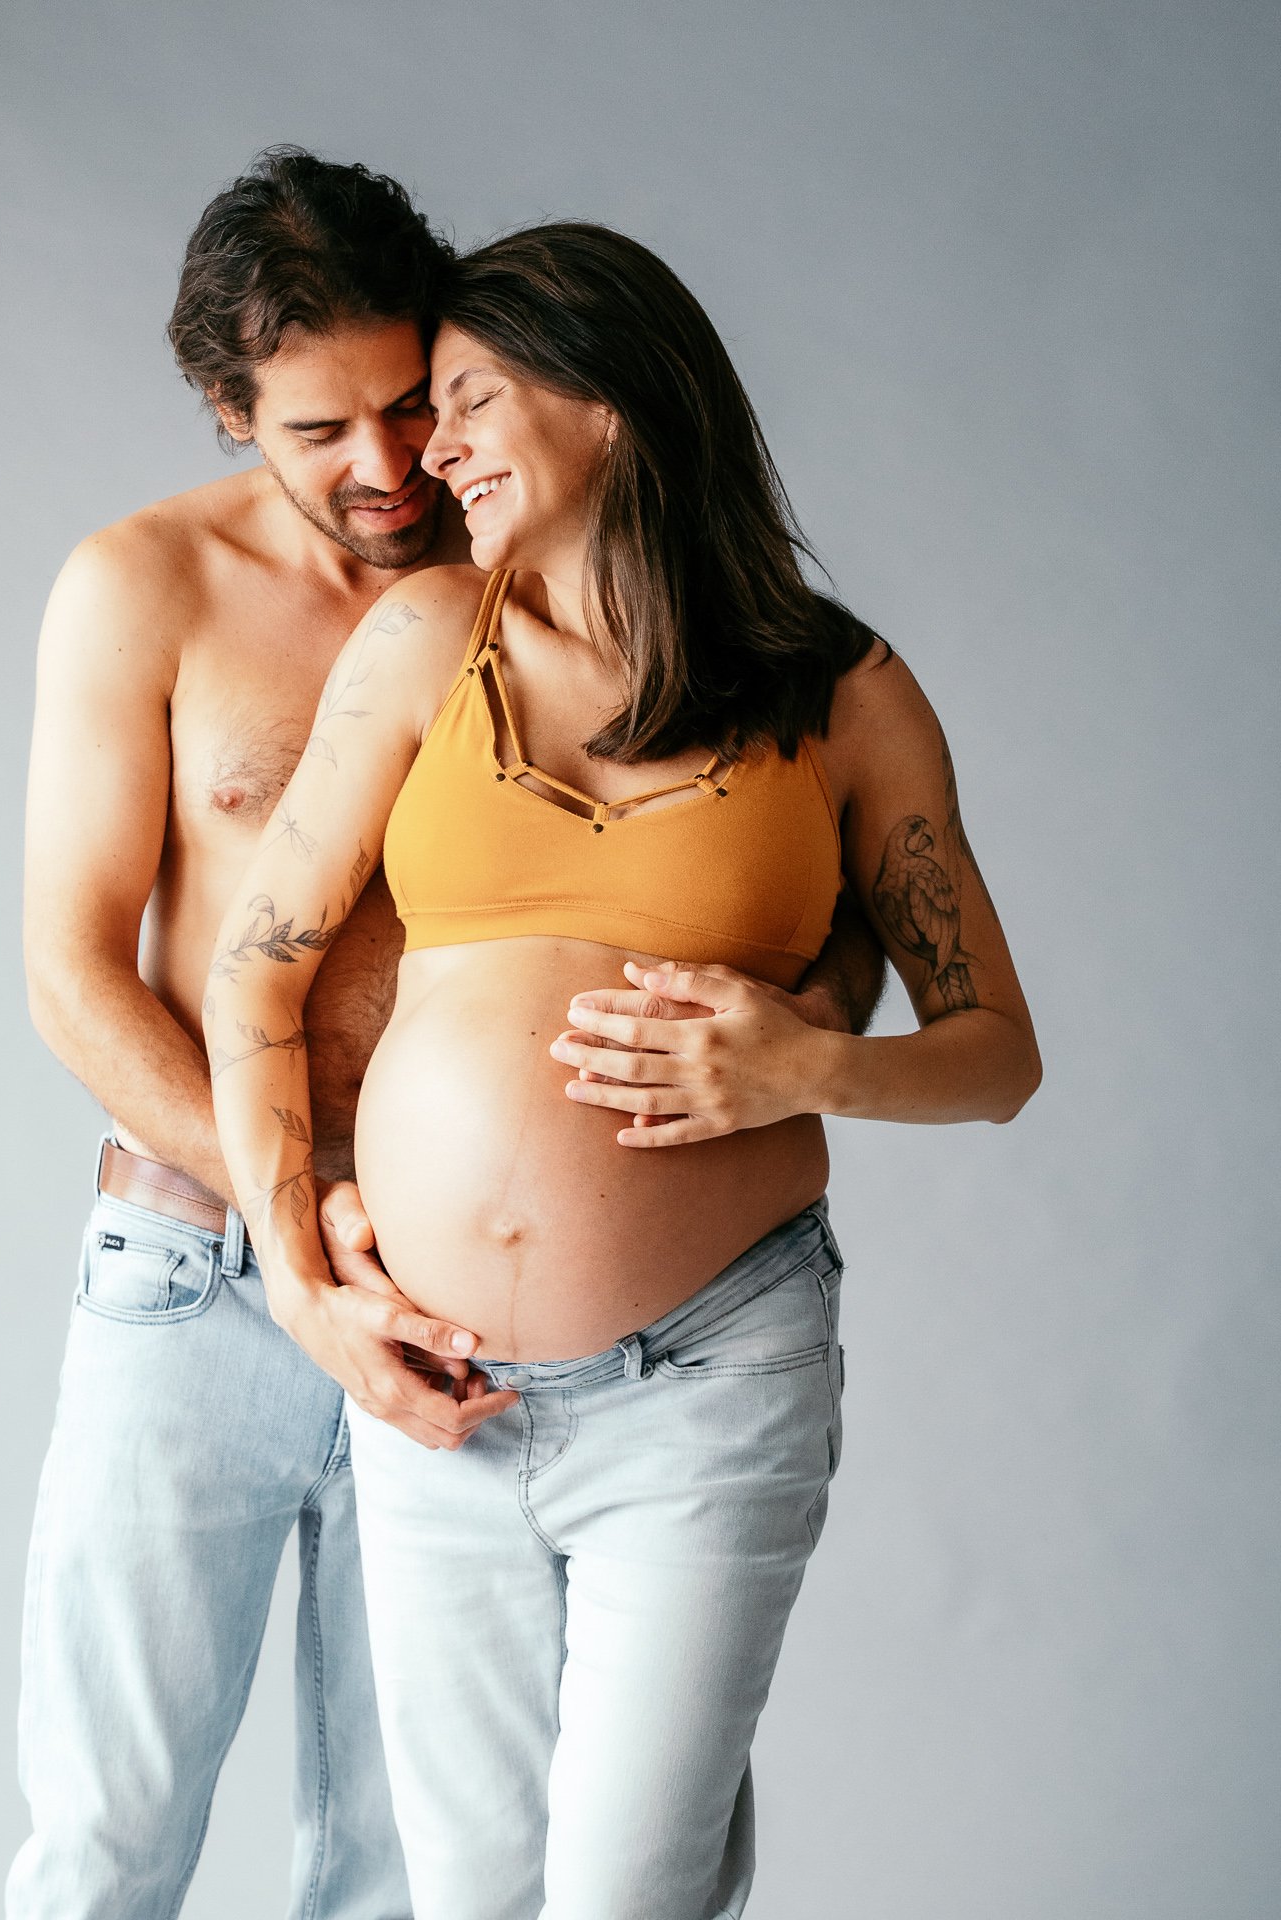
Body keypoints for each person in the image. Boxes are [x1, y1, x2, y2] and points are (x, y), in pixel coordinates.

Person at [10, 152, 884, 1919]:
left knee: (416, 1872)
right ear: (227, 410)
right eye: (321, 429)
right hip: (212, 1265)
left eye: (416, 405)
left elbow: (789, 870)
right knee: (112, 1830)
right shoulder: (145, 587)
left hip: (508, 1324)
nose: (389, 467)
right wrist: (299, 1212)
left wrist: (792, 1037)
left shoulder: (545, 570)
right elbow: (74, 975)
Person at [205, 222, 1041, 1920]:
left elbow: (996, 1054)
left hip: (710, 1380)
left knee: (624, 1896)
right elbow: (256, 973)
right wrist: (305, 1290)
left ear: (612, 404)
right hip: (438, 1401)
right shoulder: (432, 637)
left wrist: (807, 1064)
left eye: (469, 400)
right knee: (468, 1894)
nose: (429, 450)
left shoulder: (841, 694)